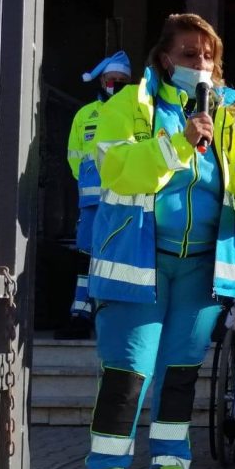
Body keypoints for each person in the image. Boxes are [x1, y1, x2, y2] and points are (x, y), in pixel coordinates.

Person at [84, 13, 235, 469]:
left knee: (178, 380)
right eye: (190, 54)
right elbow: (117, 170)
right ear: (165, 58)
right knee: (127, 381)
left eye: (209, 55)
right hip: (137, 265)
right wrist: (177, 142)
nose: (202, 64)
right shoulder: (129, 104)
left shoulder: (230, 116)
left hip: (202, 270)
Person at [56, 51, 134, 340]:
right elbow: (74, 156)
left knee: (120, 259)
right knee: (86, 257)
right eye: (113, 80)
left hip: (126, 202)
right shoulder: (84, 115)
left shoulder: (136, 111)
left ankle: (113, 319)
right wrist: (90, 179)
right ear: (102, 80)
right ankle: (80, 314)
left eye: (123, 81)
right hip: (91, 204)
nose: (117, 84)